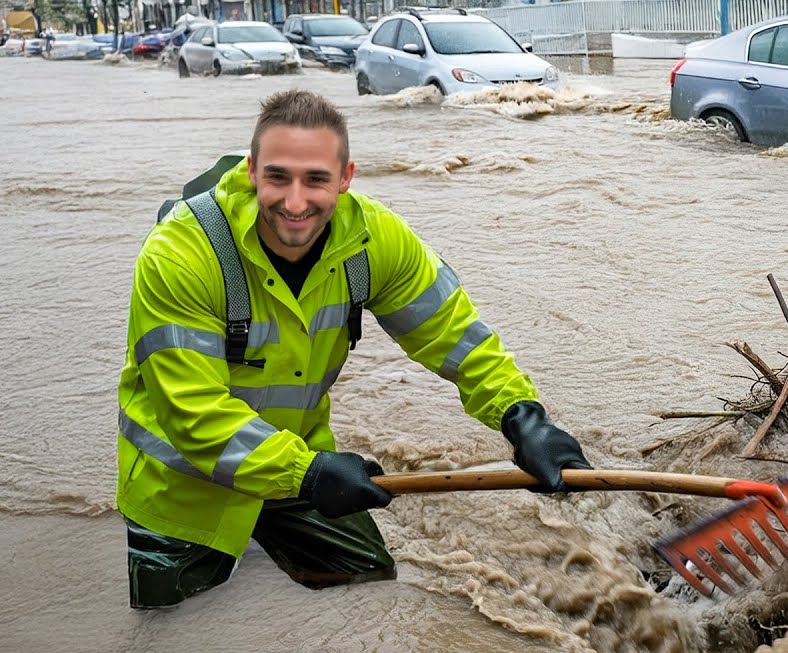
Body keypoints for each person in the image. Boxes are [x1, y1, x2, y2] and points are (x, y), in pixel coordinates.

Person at [117, 89, 590, 609]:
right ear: (252, 171)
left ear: (345, 178)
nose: (295, 202)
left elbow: (454, 334)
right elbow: (193, 414)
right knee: (171, 626)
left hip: (296, 460)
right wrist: (310, 473)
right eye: (278, 176)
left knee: (368, 589)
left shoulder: (374, 241)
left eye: (316, 179)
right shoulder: (180, 254)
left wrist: (522, 417)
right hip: (181, 486)